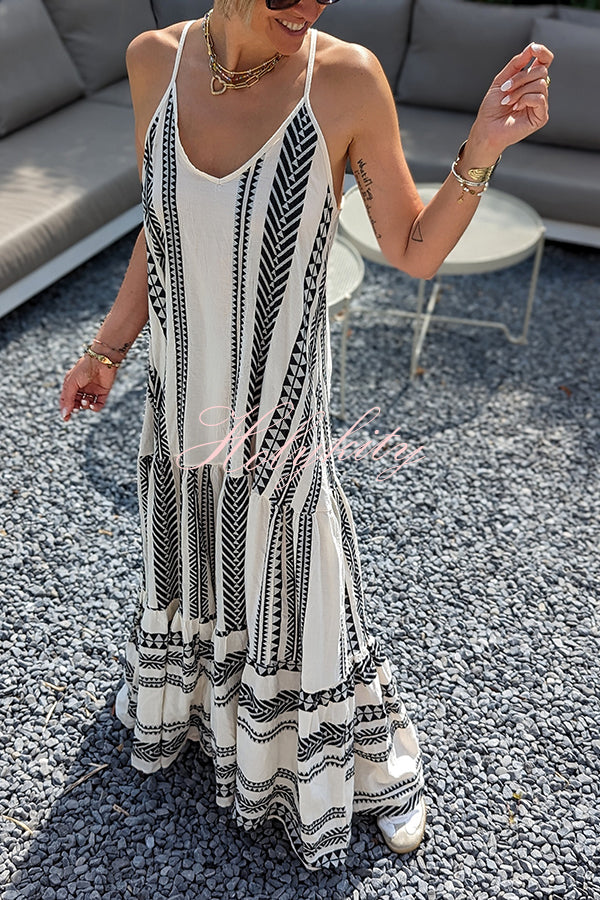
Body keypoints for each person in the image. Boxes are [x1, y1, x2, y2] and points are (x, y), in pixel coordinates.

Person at [59, 0, 552, 871]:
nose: (311, 4)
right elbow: (160, 224)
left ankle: (353, 761)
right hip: (180, 391)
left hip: (278, 406)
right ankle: (210, 718)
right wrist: (108, 347)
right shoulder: (152, 62)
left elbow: (413, 249)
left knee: (297, 572)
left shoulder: (345, 80)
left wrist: (482, 147)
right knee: (194, 551)